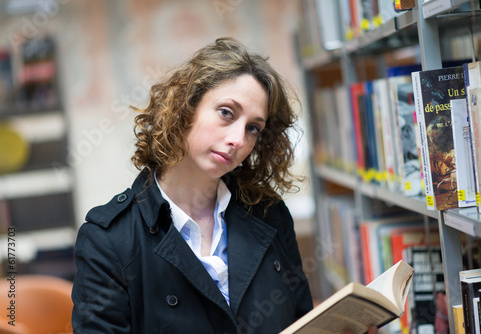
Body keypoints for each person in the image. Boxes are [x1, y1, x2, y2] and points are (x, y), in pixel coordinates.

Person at [71, 37, 379, 334]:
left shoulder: (270, 214)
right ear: (183, 107)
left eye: (253, 128)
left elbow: (299, 321)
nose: (238, 139)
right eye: (226, 113)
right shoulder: (108, 239)